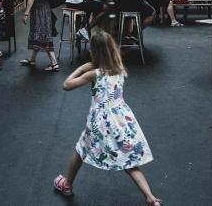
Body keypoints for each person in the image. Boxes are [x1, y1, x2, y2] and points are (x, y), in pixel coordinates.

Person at [54, 30, 162, 206]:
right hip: (121, 120)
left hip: (100, 123)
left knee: (80, 150)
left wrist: (81, 68)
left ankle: (67, 185)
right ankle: (151, 198)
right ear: (112, 49)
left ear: (94, 52)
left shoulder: (93, 74)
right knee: (128, 161)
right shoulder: (120, 70)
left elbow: (66, 85)